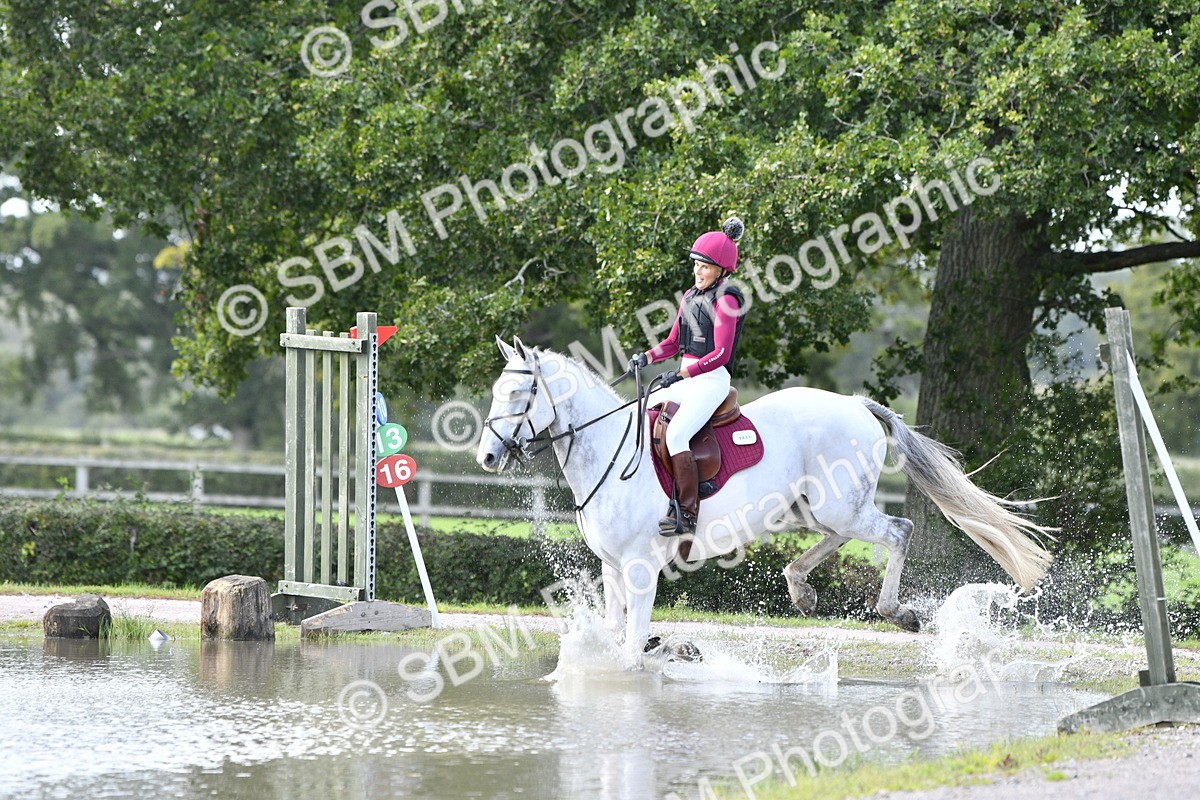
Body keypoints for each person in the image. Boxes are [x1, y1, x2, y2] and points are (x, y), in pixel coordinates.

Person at [629, 217, 747, 535]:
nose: (698, 271)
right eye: (696, 264)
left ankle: (686, 512)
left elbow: (721, 353)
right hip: (688, 377)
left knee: (678, 434)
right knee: (640, 413)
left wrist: (684, 373)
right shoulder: (690, 296)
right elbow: (671, 343)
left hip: (711, 380)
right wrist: (646, 357)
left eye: (705, 267)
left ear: (722, 269)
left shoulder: (727, 299)